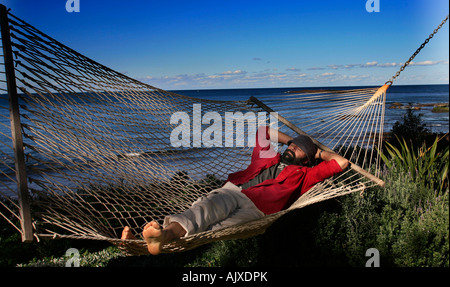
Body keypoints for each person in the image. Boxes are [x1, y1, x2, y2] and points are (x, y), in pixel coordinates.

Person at [121, 125, 349, 255]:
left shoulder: (306, 175)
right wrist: (295, 139)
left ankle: (143, 246)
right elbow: (264, 132)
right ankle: (161, 236)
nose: (292, 148)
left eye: (299, 149)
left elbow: (341, 163)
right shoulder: (268, 156)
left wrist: (318, 154)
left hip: (258, 213)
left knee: (208, 230)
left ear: (307, 160)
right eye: (291, 146)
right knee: (203, 211)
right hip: (234, 192)